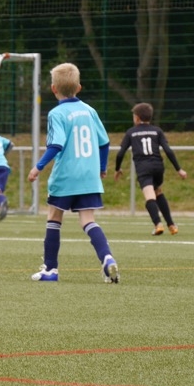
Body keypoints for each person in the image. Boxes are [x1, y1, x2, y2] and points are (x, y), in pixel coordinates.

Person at [28, 62, 119, 283]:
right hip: (89, 177)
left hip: (66, 176)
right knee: (88, 220)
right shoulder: (90, 110)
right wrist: (102, 167)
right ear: (79, 87)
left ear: (53, 88)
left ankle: (50, 270)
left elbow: (56, 144)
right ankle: (107, 257)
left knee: (54, 217)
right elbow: (104, 142)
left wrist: (38, 167)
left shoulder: (56, 113)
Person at [114, 102, 187, 236]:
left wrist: (117, 168)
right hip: (158, 166)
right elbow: (168, 151)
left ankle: (158, 224)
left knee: (150, 197)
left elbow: (120, 154)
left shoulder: (131, 132)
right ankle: (171, 225)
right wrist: (179, 169)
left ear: (137, 118)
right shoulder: (157, 131)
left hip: (143, 168)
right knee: (158, 192)